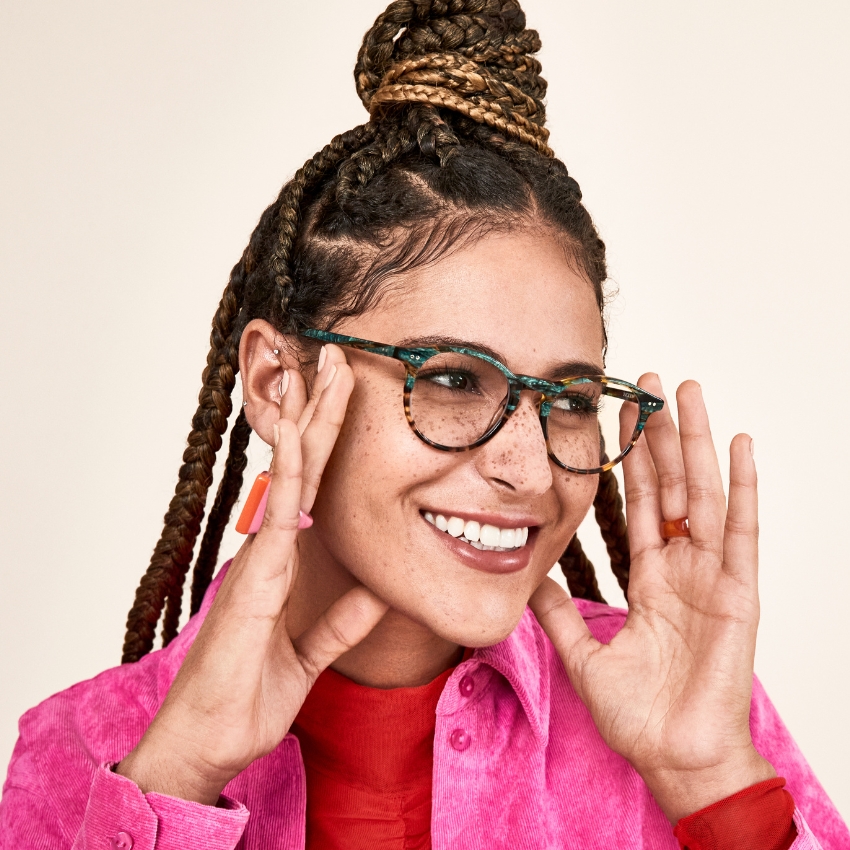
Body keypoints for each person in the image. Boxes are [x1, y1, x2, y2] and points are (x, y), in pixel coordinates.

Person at [1, 1, 847, 848]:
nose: (531, 468)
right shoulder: (90, 748)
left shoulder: (680, 709)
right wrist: (178, 775)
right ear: (275, 381)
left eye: (569, 399)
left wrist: (713, 784)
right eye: (449, 378)